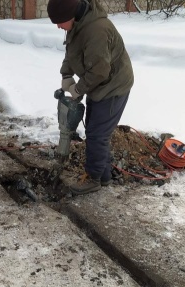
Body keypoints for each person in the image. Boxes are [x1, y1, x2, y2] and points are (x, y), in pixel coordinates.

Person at [47, 0, 134, 195]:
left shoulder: (96, 31)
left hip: (113, 86)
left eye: (60, 22)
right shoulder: (78, 24)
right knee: (95, 130)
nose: (58, 26)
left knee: (97, 134)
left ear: (70, 16)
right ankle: (104, 176)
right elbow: (72, 51)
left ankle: (94, 179)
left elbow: (100, 71)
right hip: (98, 86)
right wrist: (66, 75)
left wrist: (79, 89)